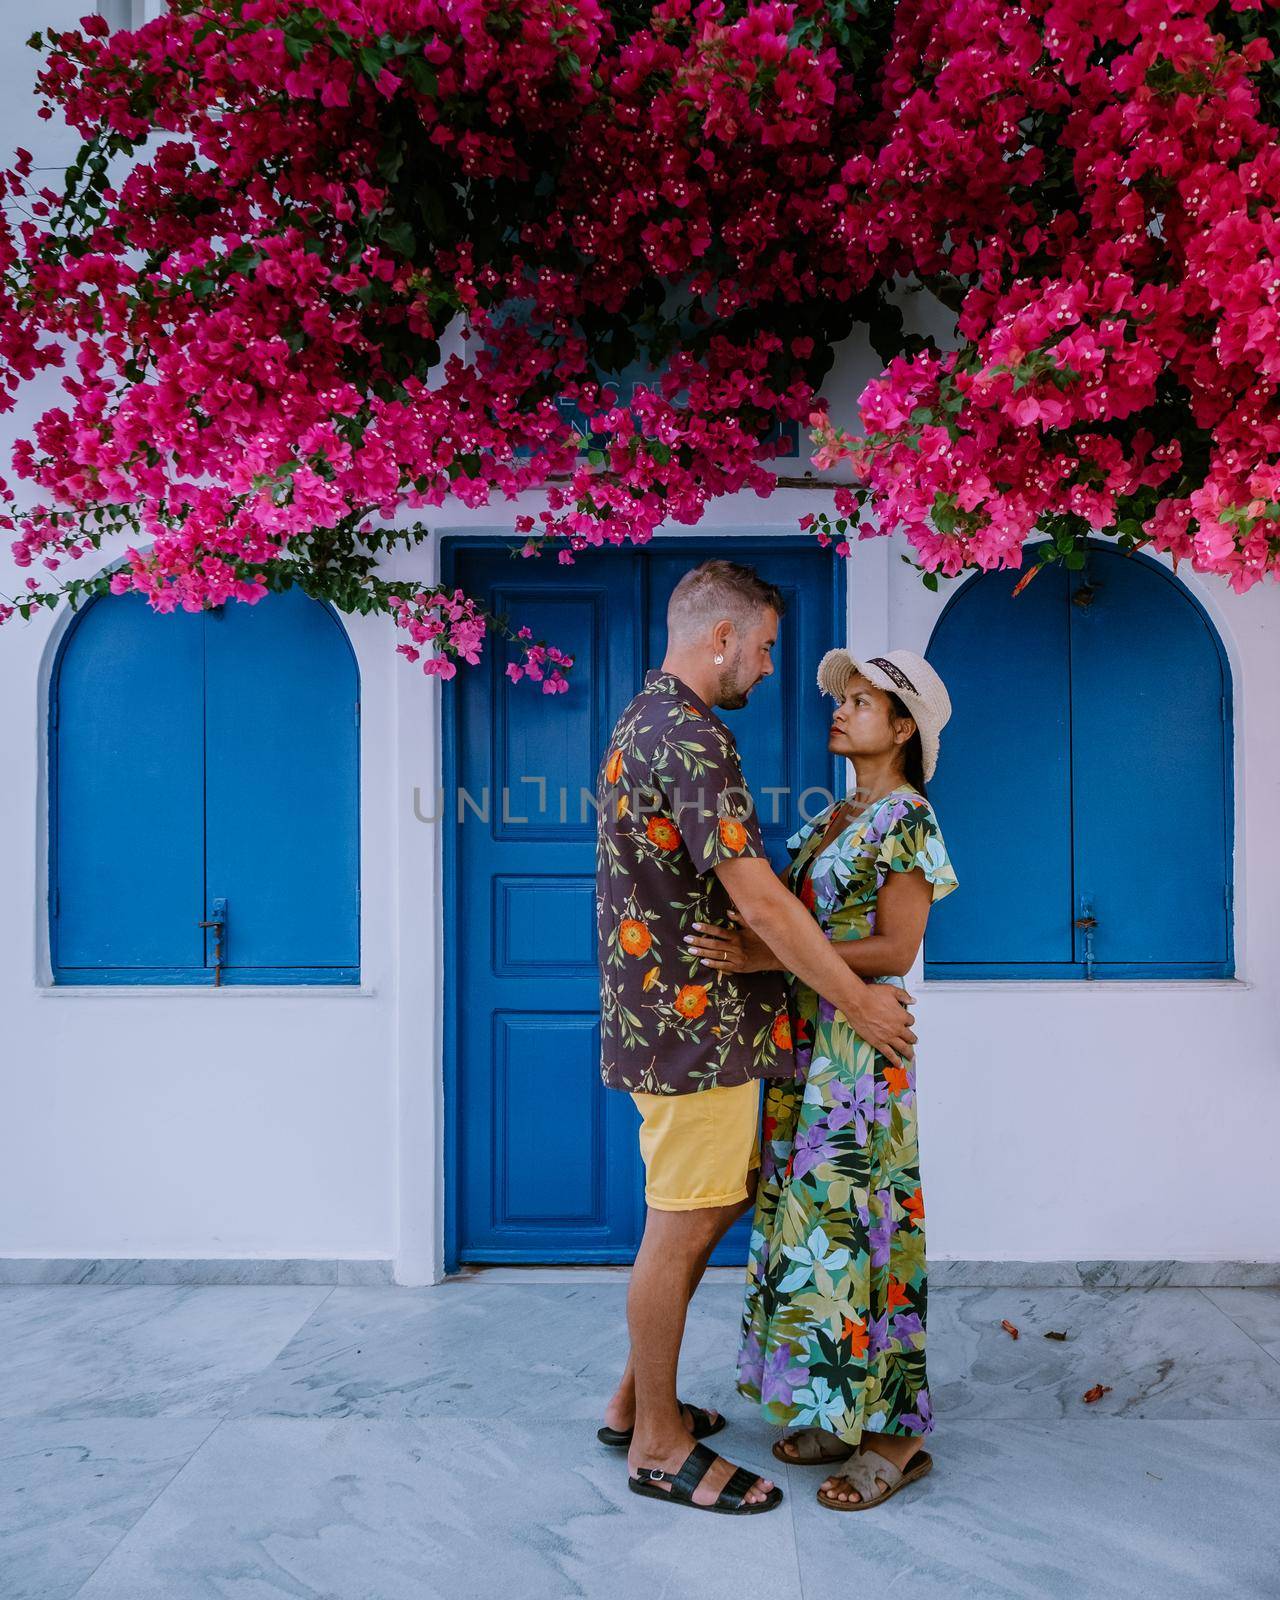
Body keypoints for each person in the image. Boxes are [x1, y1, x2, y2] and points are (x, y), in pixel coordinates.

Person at [594, 561, 918, 1517]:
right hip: (691, 1032)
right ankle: (657, 1447)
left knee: (706, 1208)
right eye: (767, 646)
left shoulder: (645, 719)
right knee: (682, 1225)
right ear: (722, 637)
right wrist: (858, 1004)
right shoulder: (691, 738)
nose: (772, 667)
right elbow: (764, 903)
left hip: (676, 1026)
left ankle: (631, 1406)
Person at [687, 647, 957, 1512]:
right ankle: (841, 1403)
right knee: (816, 1228)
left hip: (857, 1053)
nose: (839, 711)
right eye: (841, 699)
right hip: (807, 1043)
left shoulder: (908, 817)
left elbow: (896, 949)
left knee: (865, 1225)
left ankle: (895, 1435)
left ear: (904, 728)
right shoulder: (841, 811)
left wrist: (768, 954)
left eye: (863, 702)